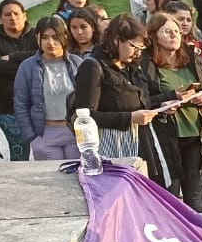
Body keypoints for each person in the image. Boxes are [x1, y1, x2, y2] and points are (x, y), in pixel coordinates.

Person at [140, 13, 202, 211]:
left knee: (194, 197)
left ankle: (197, 238)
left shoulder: (192, 58)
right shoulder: (145, 64)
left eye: (176, 31)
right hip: (166, 139)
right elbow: (142, 101)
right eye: (167, 32)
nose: (174, 35)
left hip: (196, 137)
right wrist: (166, 100)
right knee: (169, 196)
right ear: (154, 35)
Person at [71, 14, 174, 169]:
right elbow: (86, 115)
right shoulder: (92, 67)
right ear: (115, 39)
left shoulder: (131, 65)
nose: (138, 53)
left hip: (143, 139)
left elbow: (141, 102)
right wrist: (129, 118)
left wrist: (162, 106)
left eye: (141, 48)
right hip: (113, 144)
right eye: (133, 46)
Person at [13, 16, 86, 161]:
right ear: (37, 38)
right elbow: (21, 104)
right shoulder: (27, 67)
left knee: (77, 177)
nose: (50, 42)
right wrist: (32, 137)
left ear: (64, 37)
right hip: (44, 133)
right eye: (45, 37)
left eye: (55, 37)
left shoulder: (77, 63)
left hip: (74, 132)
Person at [0, 0, 37, 161]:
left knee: (47, 153)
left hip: (38, 105)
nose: (12, 17)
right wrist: (30, 65)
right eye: (7, 14)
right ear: (1, 18)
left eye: (16, 13)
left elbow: (43, 57)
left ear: (24, 15)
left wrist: (13, 57)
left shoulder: (37, 35)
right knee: (19, 154)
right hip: (7, 106)